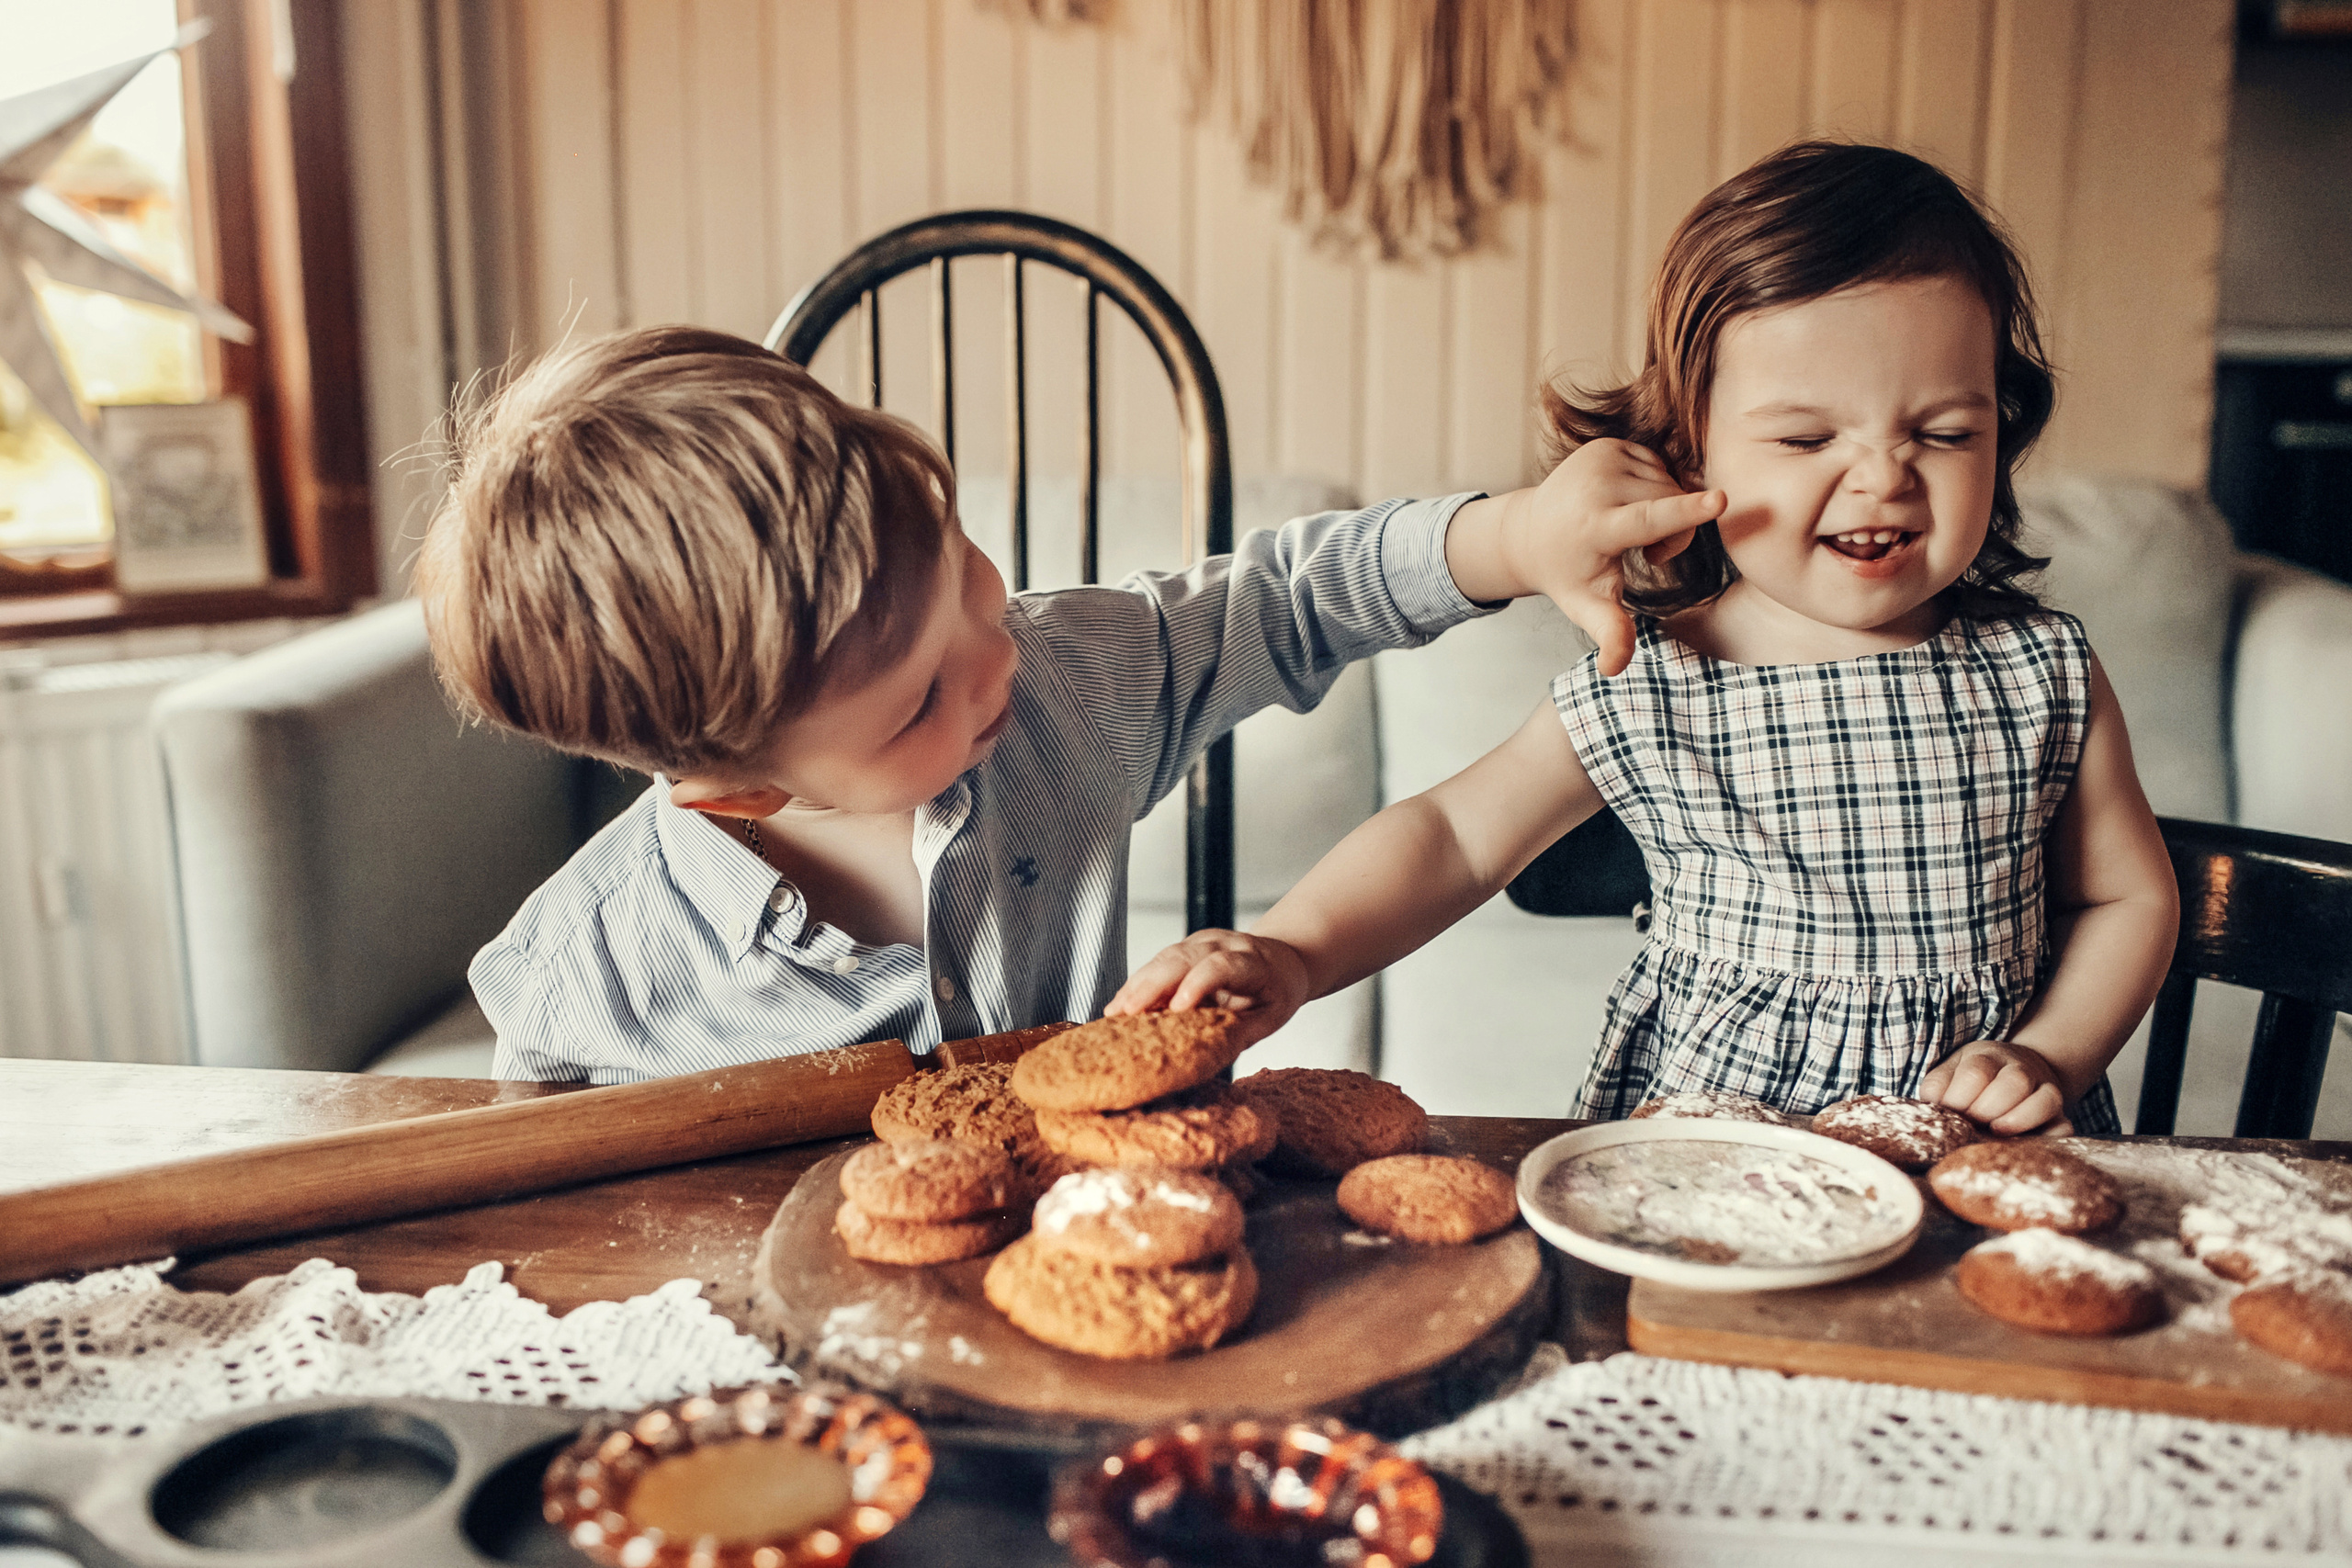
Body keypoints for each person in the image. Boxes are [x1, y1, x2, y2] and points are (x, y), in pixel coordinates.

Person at [1114, 141, 2180, 1136]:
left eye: (1946, 433)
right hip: (1717, 1159)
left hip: (1978, 1149)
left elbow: (2128, 896)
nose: (1884, 476)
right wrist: (1290, 954)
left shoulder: (2040, 672)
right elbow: (1452, 836)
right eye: (1808, 437)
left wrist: (2049, 1055)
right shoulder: (1654, 681)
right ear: (1686, 443)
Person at [413, 325, 1696, 1084]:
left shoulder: (1066, 688)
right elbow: (543, 1227)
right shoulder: (585, 975)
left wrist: (1518, 533)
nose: (993, 662)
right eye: (918, 700)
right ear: (738, 786)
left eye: (970, 573)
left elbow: (1290, 598)